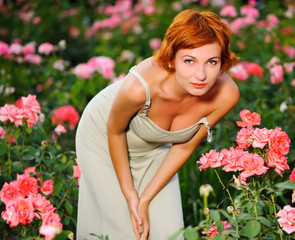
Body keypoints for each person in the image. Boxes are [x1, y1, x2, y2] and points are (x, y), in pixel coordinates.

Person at [75, 9, 239, 240]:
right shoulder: (138, 88)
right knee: (126, 229)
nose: (201, 75)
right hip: (103, 136)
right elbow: (114, 131)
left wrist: (146, 198)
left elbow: (184, 147)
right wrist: (131, 193)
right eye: (189, 61)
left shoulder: (227, 95)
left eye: (212, 62)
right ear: (172, 57)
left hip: (153, 150)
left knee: (169, 231)